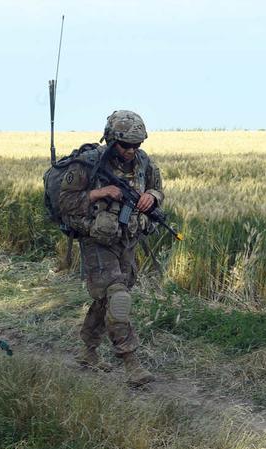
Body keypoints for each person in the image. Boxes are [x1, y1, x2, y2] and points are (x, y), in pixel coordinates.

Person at [58, 110, 164, 386]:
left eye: (137, 145)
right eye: (125, 145)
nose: (131, 150)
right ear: (111, 139)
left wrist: (151, 197)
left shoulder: (143, 163)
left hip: (127, 240)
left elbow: (157, 188)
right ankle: (131, 362)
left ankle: (88, 351)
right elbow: (65, 201)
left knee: (107, 298)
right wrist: (100, 193)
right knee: (118, 297)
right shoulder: (88, 164)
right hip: (96, 240)